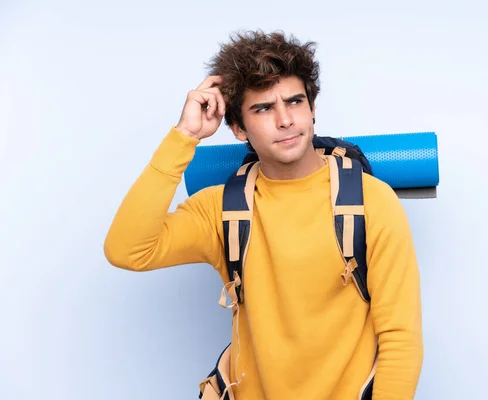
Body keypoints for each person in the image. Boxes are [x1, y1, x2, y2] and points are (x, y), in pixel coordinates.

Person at [104, 30, 423, 400]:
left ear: (313, 108)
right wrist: (184, 135)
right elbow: (127, 250)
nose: (285, 119)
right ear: (239, 128)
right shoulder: (221, 208)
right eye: (263, 108)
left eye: (295, 101)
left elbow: (400, 337)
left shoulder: (372, 200)